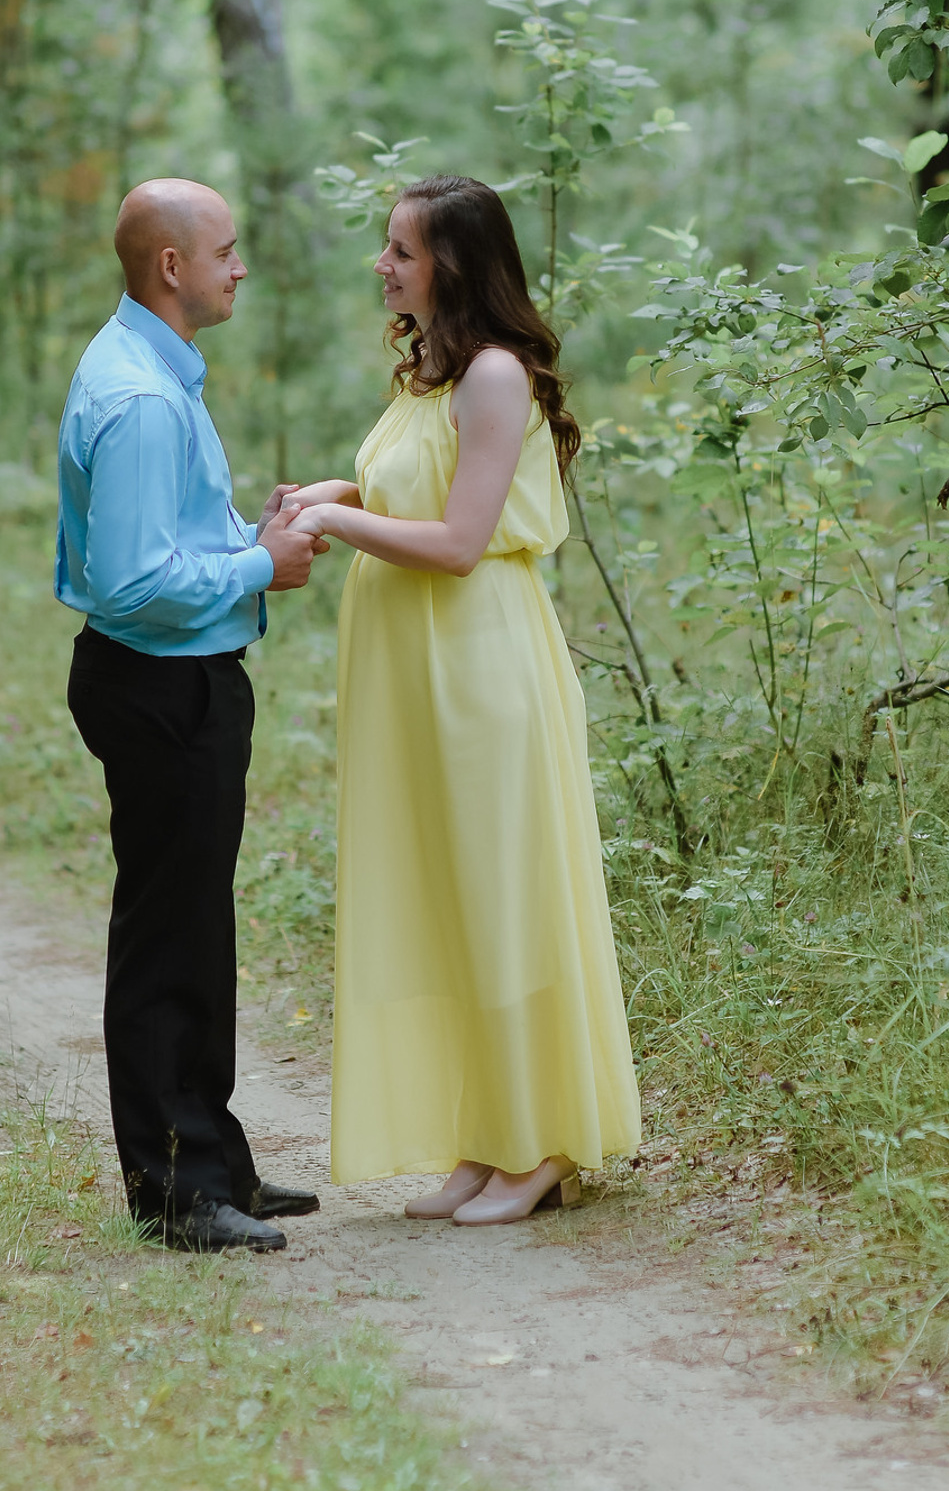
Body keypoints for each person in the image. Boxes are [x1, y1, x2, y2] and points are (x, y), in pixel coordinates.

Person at [284, 174, 642, 1224]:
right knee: (451, 898)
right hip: (415, 674)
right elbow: (419, 492)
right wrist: (335, 492)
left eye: (401, 250)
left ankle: (539, 1144)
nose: (383, 265)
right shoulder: (430, 375)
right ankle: (484, 1137)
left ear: (454, 264)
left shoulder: (493, 373)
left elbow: (457, 540)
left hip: (479, 666)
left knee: (503, 897)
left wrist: (333, 527)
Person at [57, 177, 328, 1253]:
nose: (239, 267)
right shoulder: (142, 397)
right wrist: (262, 566)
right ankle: (175, 1192)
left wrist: (247, 539)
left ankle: (215, 1164)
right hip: (158, 685)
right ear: (172, 266)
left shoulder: (155, 370)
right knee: (169, 935)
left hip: (181, 677)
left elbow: (164, 547)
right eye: (225, 251)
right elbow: (129, 583)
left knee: (195, 926)